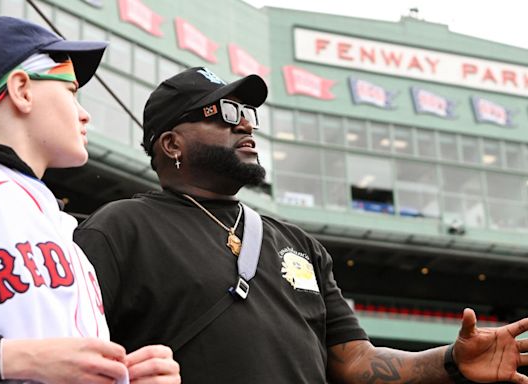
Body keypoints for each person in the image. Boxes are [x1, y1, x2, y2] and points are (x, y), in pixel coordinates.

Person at [74, 65, 528, 384]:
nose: (246, 127)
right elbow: (74, 357)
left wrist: (450, 361)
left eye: (249, 116)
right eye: (227, 115)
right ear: (172, 143)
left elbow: (355, 362)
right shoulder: (118, 229)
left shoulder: (297, 243)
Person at [0, 16, 179, 383]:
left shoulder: (64, 231)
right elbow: (30, 363)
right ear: (22, 90)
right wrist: (12, 359)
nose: (84, 113)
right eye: (72, 90)